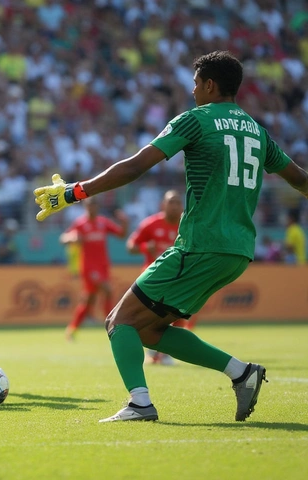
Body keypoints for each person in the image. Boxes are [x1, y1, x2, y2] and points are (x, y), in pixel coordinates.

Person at [33, 51, 308, 422]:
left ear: (210, 84)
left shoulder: (196, 120)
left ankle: (140, 404)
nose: (193, 90)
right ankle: (241, 372)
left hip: (200, 244)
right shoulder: (258, 132)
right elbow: (299, 179)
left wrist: (74, 192)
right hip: (239, 250)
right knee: (149, 329)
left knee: (120, 321)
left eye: (196, 83)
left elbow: (135, 166)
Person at [126, 190, 197, 366]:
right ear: (163, 205)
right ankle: (155, 351)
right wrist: (145, 247)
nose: (175, 206)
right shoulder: (150, 224)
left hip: (179, 278)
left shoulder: (187, 225)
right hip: (154, 279)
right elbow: (130, 246)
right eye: (171, 202)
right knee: (152, 316)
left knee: (181, 315)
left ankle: (165, 352)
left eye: (178, 202)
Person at [60, 197, 128, 341]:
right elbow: (63, 238)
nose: (92, 208)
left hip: (103, 266)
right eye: (89, 205)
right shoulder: (80, 224)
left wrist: (124, 222)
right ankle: (112, 325)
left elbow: (122, 235)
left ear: (98, 207)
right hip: (89, 267)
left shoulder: (103, 222)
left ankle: (71, 329)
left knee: (88, 301)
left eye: (95, 205)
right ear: (86, 207)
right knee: (108, 290)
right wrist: (71, 238)